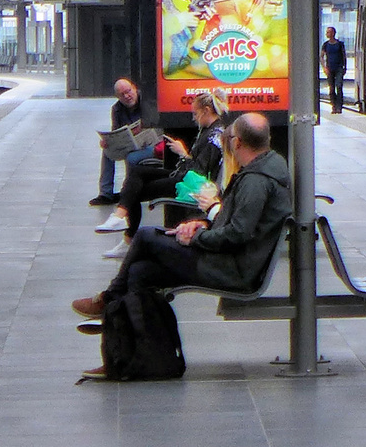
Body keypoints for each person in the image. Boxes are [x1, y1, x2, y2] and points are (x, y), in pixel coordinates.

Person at [71, 112, 292, 373]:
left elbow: (237, 235)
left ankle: (109, 299)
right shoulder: (264, 169)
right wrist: (203, 224)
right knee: (141, 272)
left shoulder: (256, 180)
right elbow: (236, 225)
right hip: (229, 260)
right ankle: (132, 359)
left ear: (238, 142)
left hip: (232, 269)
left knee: (145, 236)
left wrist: (196, 237)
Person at [95, 89, 232, 257]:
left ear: (206, 111)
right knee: (137, 173)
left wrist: (183, 154)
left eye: (195, 114)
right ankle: (120, 216)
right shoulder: (209, 130)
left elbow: (199, 172)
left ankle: (124, 226)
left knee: (132, 191)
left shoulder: (214, 137)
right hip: (184, 176)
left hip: (192, 184)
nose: (194, 118)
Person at [91, 78, 141, 207]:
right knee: (107, 152)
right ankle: (105, 193)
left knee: (132, 157)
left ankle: (128, 191)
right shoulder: (117, 109)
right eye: (121, 95)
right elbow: (116, 132)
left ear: (134, 88)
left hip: (148, 145)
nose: (127, 96)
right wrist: (108, 141)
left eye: (128, 91)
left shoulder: (147, 102)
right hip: (129, 144)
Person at [321, 27, 346, 114]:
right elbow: (321, 56)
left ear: (333, 33)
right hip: (330, 68)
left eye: (328, 32)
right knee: (331, 88)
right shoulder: (325, 45)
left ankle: (339, 106)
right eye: (327, 32)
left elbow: (344, 56)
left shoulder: (340, 44)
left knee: (339, 86)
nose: (327, 34)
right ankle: (334, 106)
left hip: (339, 68)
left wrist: (344, 67)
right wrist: (324, 67)